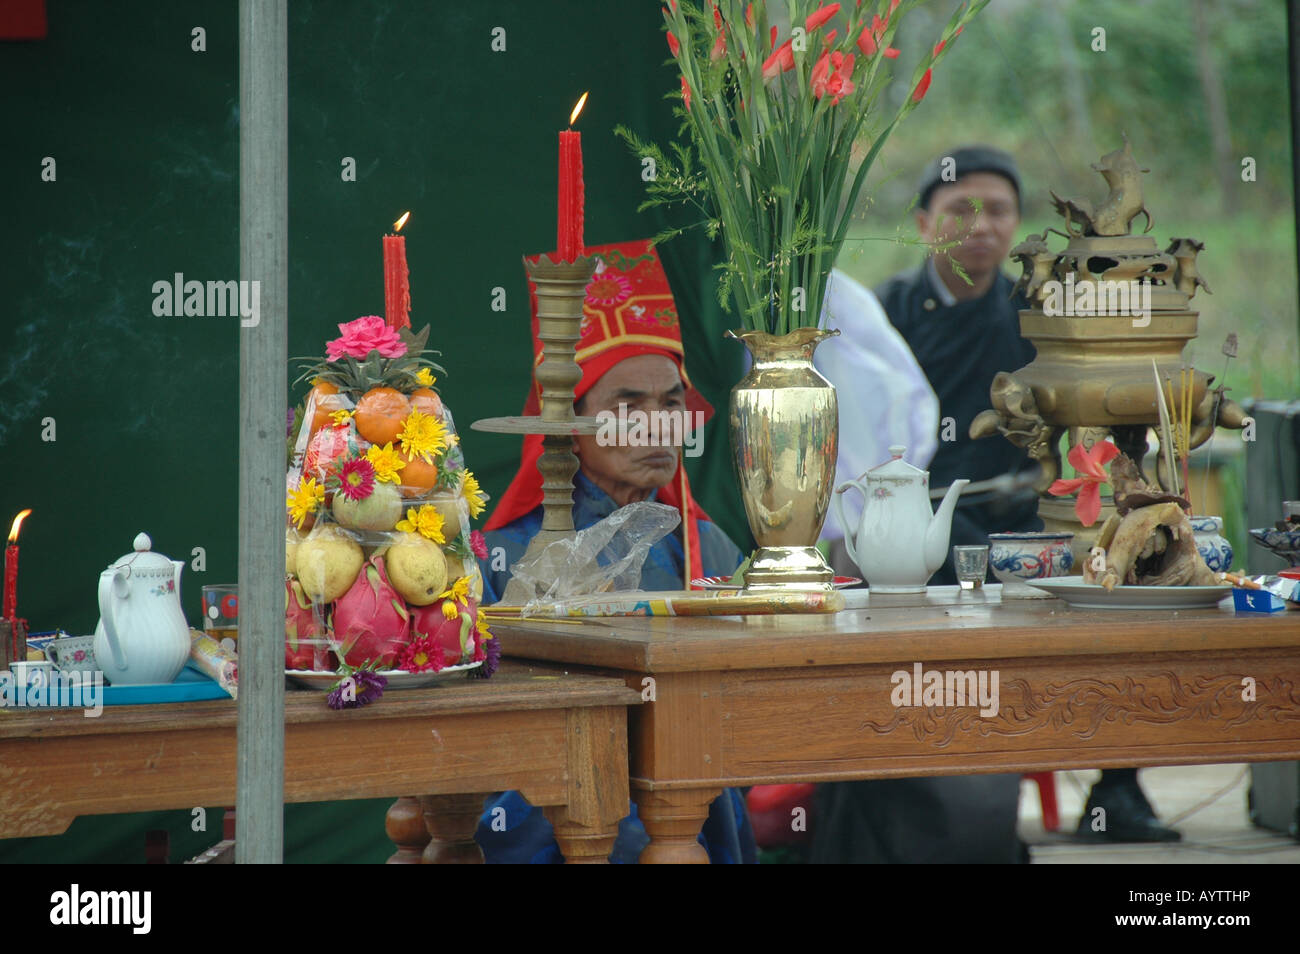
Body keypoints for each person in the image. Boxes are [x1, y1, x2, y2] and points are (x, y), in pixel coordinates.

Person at [474, 238, 757, 863]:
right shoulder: (506, 559)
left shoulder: (709, 546)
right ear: (569, 421)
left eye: (672, 402)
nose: (657, 423)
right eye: (628, 404)